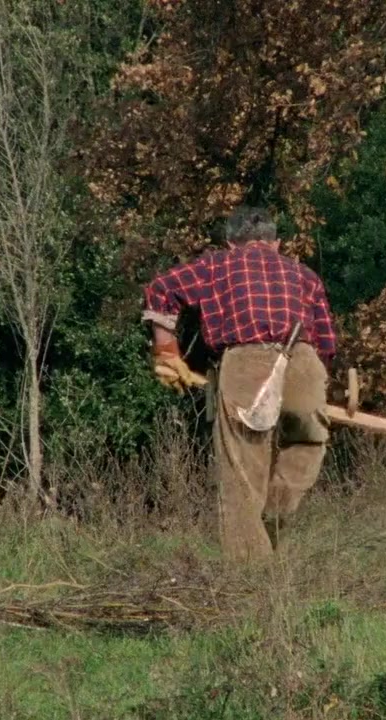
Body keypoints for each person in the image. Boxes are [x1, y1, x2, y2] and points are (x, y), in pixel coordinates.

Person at [142, 206, 337, 562]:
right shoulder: (305, 275)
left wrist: (167, 351)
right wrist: (311, 389)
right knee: (307, 441)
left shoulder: (216, 265)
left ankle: (250, 575)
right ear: (276, 244)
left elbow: (161, 289)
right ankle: (277, 512)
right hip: (304, 360)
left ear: (231, 244)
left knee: (242, 472)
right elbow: (326, 343)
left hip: (247, 362)